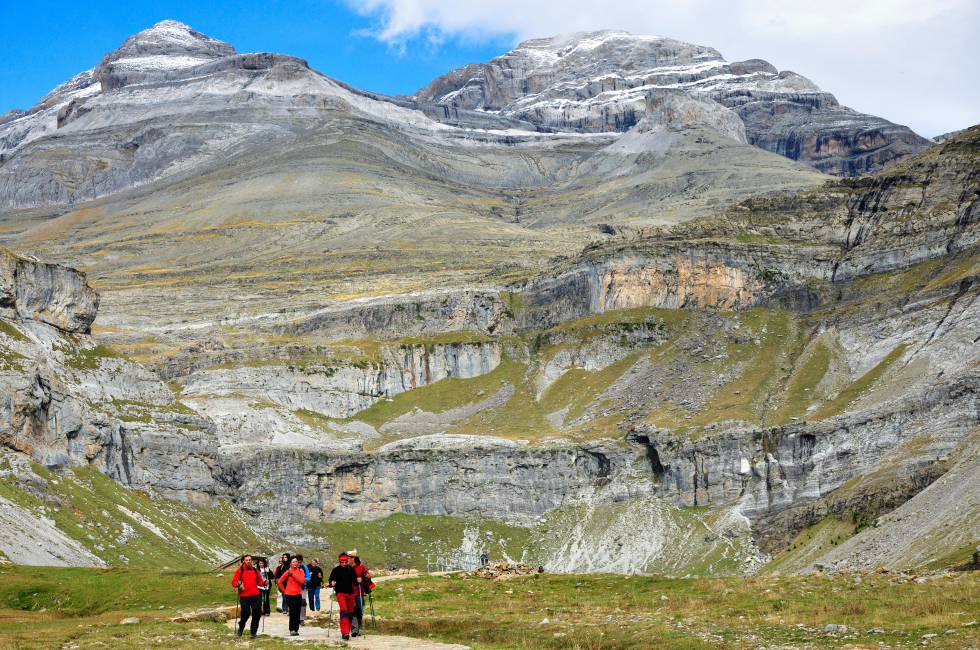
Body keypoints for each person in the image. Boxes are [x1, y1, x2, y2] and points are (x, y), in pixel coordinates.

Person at [231, 554, 267, 638]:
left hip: (255, 595)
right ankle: (241, 628)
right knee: (245, 614)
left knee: (257, 614)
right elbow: (234, 582)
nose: (248, 561)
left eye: (250, 560)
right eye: (246, 560)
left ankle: (253, 633)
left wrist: (264, 583)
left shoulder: (255, 570)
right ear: (243, 561)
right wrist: (237, 584)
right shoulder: (240, 570)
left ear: (252, 561)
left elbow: (260, 581)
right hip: (244, 596)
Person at [328, 553, 359, 640]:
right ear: (339, 561)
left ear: (347, 561)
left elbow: (355, 583)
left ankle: (347, 631)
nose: (344, 564)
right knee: (344, 611)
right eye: (342, 562)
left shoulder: (351, 569)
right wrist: (332, 583)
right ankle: (345, 632)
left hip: (350, 594)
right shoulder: (335, 570)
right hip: (340, 593)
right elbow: (331, 581)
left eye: (345, 562)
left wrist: (358, 581)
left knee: (350, 613)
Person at [276, 557, 307, 636]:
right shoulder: (288, 572)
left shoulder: (301, 571)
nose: (295, 563)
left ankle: (296, 629)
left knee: (297, 612)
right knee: (293, 611)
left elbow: (302, 581)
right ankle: (292, 629)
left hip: (298, 594)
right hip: (289, 595)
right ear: (290, 563)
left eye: (296, 561)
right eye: (293, 562)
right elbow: (279, 582)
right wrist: (284, 591)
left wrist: (293, 575)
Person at [349, 549, 372, 637]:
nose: (348, 559)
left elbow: (367, 576)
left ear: (354, 558)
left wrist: (366, 576)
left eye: (350, 557)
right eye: (348, 557)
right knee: (353, 610)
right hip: (350, 592)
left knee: (360, 611)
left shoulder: (361, 567)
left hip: (359, 592)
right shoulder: (346, 567)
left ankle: (358, 628)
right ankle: (354, 629)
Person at [295, 553, 310, 624]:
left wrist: (303, 579)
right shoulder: (292, 568)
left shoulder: (304, 567)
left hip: (303, 587)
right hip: (294, 588)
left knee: (303, 602)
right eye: (298, 562)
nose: (299, 564)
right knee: (295, 602)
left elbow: (308, 577)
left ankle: (302, 618)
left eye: (300, 562)